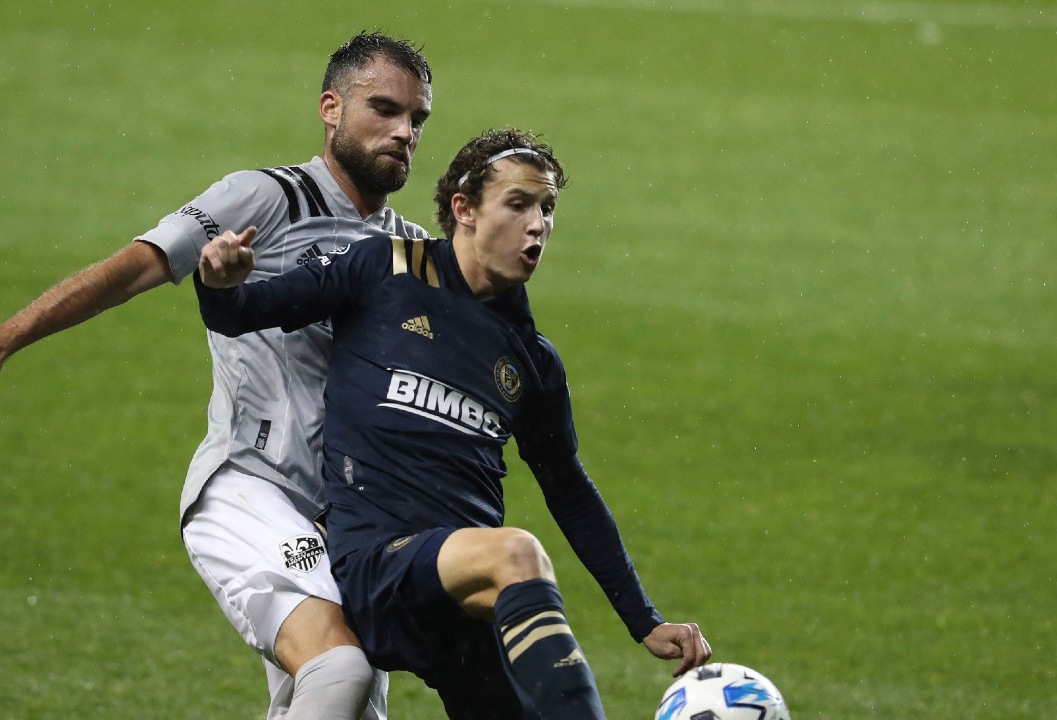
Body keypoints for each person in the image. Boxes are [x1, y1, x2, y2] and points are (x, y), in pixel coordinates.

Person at [0, 32, 434, 720]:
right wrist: (7, 336)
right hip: (249, 491)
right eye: (383, 109)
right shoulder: (263, 199)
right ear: (330, 108)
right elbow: (135, 267)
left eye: (416, 119)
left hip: (346, 524)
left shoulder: (413, 253)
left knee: (343, 705)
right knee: (340, 669)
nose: (402, 132)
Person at [194, 128, 713, 719]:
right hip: (376, 564)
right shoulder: (382, 267)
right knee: (517, 553)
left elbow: (569, 490)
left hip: (459, 596)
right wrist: (220, 282)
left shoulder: (533, 360)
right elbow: (245, 314)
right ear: (463, 209)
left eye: (547, 208)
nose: (538, 223)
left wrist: (643, 619)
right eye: (518, 204)